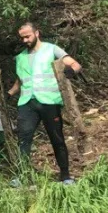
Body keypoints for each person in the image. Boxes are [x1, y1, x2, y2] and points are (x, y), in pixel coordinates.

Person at [7, 22, 82, 184]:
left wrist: (70, 71)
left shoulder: (51, 49)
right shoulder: (20, 57)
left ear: (37, 33)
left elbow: (75, 64)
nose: (25, 40)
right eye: (22, 38)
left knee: (57, 138)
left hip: (49, 101)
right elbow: (21, 80)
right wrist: (10, 93)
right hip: (27, 103)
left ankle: (65, 175)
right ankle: (21, 175)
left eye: (28, 36)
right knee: (23, 138)